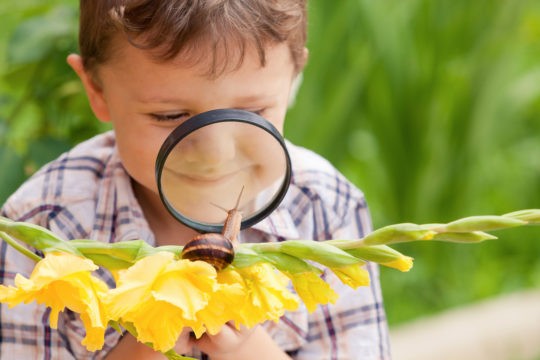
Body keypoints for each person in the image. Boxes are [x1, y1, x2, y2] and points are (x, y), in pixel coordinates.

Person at [0, 1, 391, 359]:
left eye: (253, 110)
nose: (214, 154)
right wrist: (150, 340)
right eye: (169, 116)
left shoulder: (325, 206)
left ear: (293, 79)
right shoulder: (42, 221)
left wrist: (247, 350)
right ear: (96, 90)